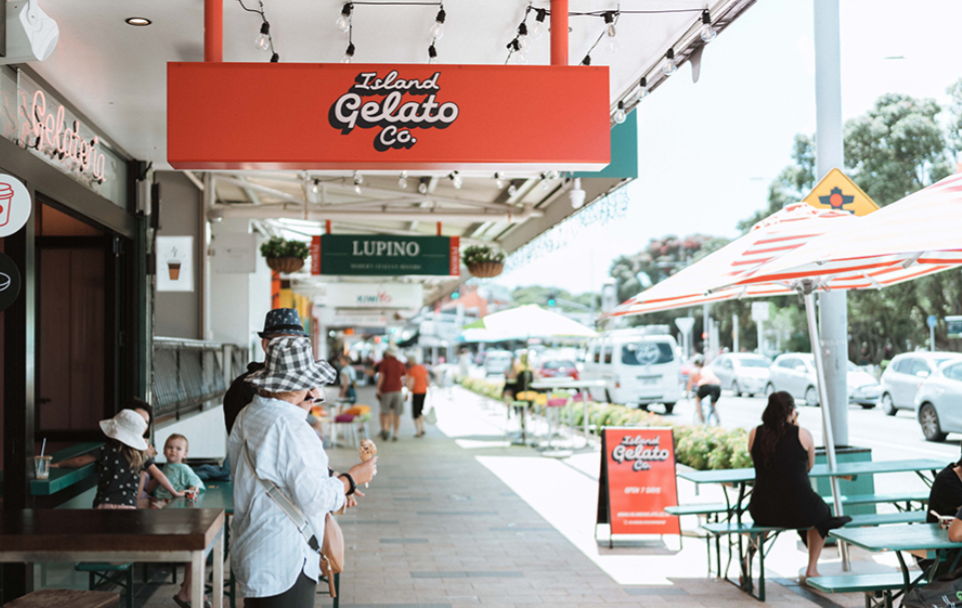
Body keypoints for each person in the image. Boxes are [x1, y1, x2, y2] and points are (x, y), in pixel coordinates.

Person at [229, 336, 376, 607]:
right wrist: (352, 478)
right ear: (301, 386)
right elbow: (314, 497)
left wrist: (337, 484)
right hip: (285, 558)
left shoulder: (248, 414)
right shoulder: (291, 426)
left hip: (254, 548)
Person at [748, 392, 850, 579]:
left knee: (764, 522)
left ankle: (748, 560)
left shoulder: (755, 433)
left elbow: (757, 462)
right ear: (792, 411)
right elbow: (809, 467)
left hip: (762, 508)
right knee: (822, 514)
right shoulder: (803, 434)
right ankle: (812, 568)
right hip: (799, 508)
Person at [53, 410, 165, 509]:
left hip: (105, 503)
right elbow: (158, 474)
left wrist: (58, 464)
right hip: (128, 504)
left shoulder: (105, 450)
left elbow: (79, 461)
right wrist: (175, 493)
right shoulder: (140, 456)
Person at [375, 347, 407, 441]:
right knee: (397, 413)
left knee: (385, 412)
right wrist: (407, 390)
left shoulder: (384, 363)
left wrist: (378, 389)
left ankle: (385, 428)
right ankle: (395, 434)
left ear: (388, 354)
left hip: (386, 390)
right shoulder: (400, 364)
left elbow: (381, 376)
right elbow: (404, 378)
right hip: (398, 390)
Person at [687, 356, 721, 424]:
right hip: (717, 386)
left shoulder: (694, 370)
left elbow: (689, 384)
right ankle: (717, 420)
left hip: (705, 385)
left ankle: (701, 419)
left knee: (698, 399)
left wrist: (687, 393)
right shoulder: (708, 369)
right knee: (713, 405)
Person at [406, 355, 429, 438]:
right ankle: (423, 428)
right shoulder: (422, 368)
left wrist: (408, 392)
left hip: (416, 392)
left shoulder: (412, 370)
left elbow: (412, 381)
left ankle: (418, 430)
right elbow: (427, 379)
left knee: (415, 412)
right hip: (423, 391)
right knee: (420, 410)